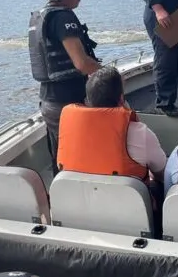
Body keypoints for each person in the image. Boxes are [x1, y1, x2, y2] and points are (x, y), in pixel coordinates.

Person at [56, 67, 168, 224]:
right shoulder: (140, 133)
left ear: (87, 101)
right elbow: (162, 173)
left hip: (81, 210)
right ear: (121, 100)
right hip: (128, 213)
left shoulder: (68, 128)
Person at [28, 0, 101, 174]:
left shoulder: (41, 16)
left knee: (61, 157)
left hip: (49, 101)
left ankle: (61, 199)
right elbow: (82, 64)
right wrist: (108, 74)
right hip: (68, 102)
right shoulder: (63, 18)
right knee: (79, 159)